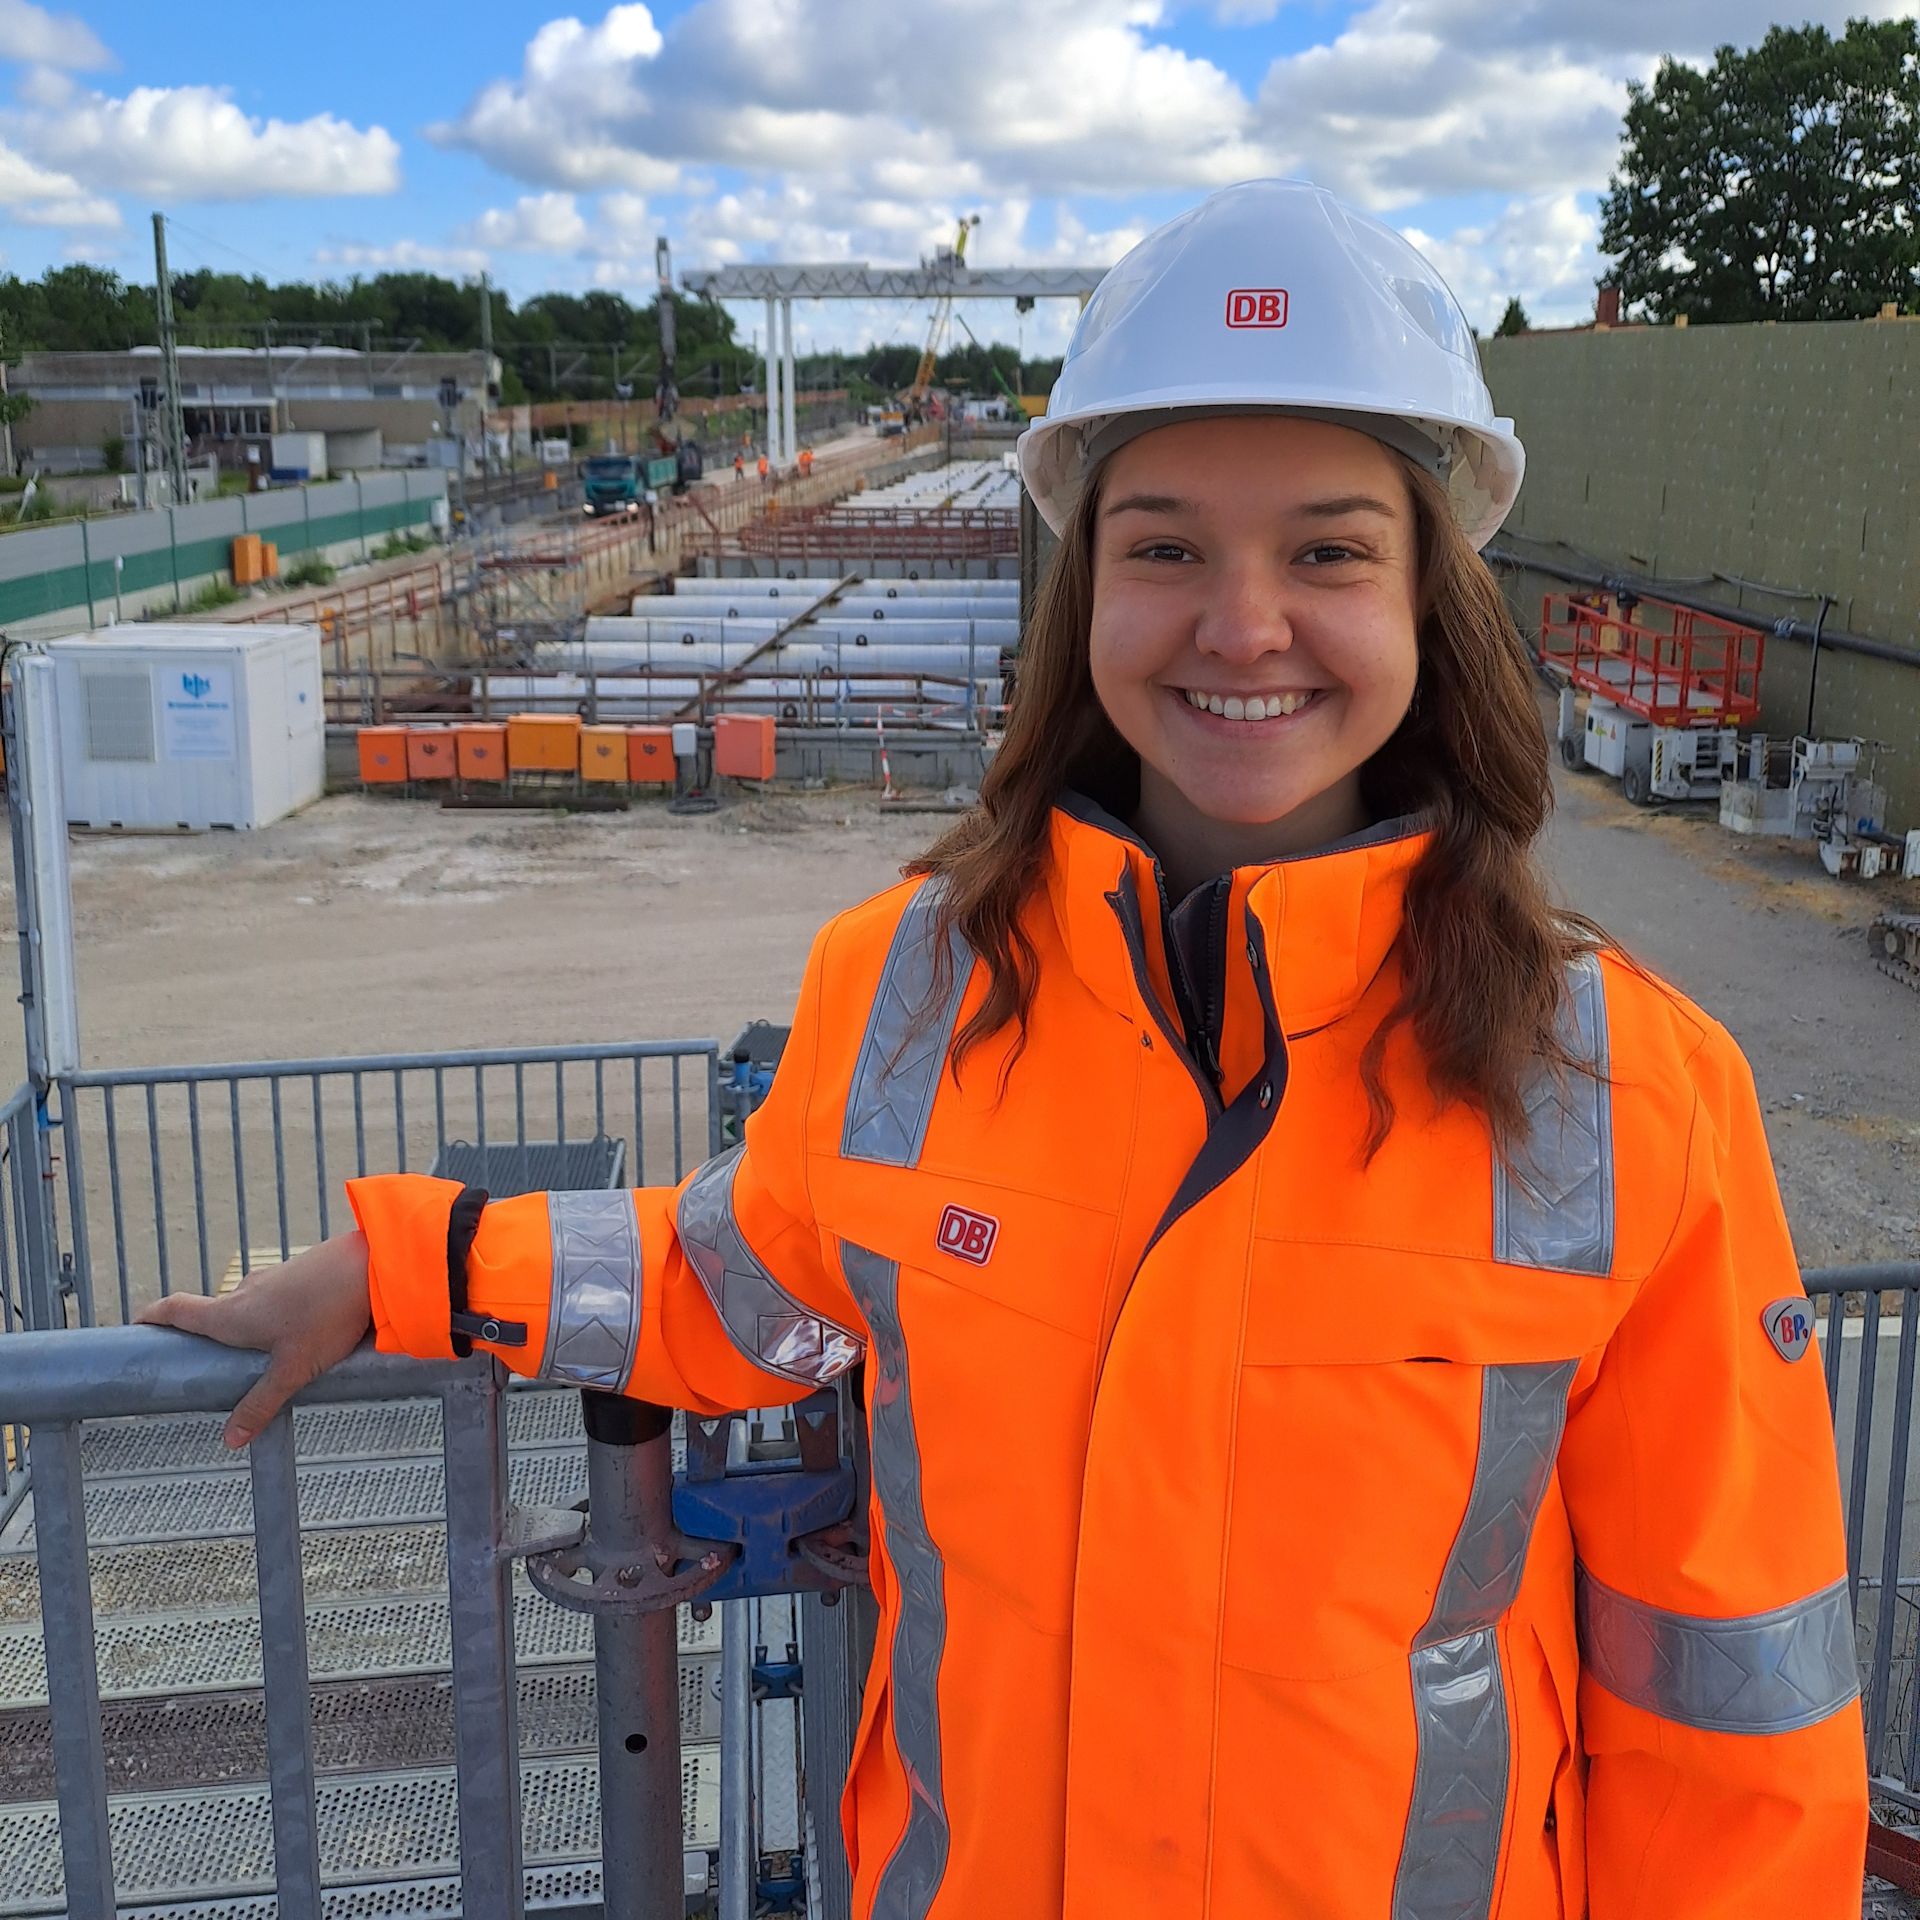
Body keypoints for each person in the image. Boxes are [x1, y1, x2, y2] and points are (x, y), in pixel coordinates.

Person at [141, 180, 1865, 1917]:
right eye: (1167, 545)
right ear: (1084, 588)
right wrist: (408, 1258)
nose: (1243, 625)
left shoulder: (1622, 1092)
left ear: (1435, 596)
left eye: (1329, 548)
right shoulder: (914, 994)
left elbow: (1732, 1712)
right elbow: (745, 1279)